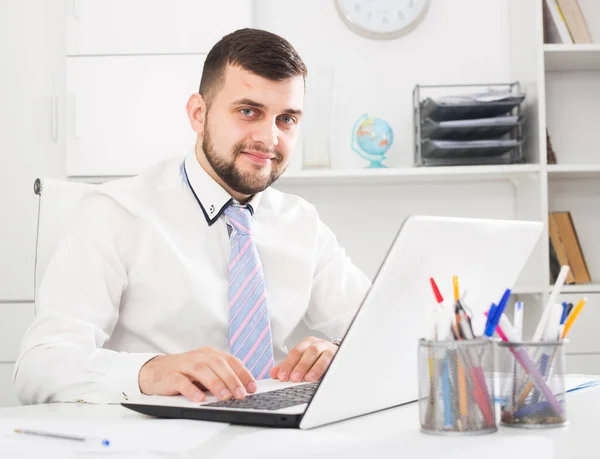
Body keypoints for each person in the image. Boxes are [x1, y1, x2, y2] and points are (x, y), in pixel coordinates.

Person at [14, 28, 371, 405]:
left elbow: (382, 325)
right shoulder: (115, 213)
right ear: (198, 114)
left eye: (286, 119)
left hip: (276, 433)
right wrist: (148, 371)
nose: (269, 138)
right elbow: (39, 368)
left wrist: (340, 351)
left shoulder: (302, 222)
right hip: (152, 439)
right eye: (248, 111)